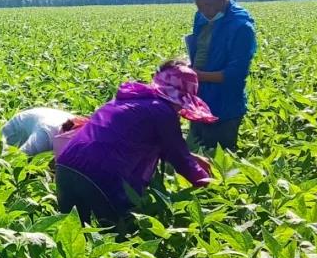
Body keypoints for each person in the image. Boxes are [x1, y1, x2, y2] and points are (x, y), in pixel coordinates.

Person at [55, 61, 215, 228]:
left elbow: (133, 140)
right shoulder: (163, 111)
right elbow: (180, 160)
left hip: (65, 167)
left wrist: (192, 157)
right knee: (116, 234)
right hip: (101, 174)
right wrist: (210, 185)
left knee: (73, 231)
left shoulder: (127, 100)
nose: (180, 110)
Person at [185, 0, 257, 151]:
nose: (204, 11)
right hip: (199, 100)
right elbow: (201, 50)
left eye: (208, 5)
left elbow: (235, 74)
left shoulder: (241, 28)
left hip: (225, 107)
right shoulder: (201, 16)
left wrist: (199, 75)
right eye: (199, 6)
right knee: (195, 152)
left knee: (218, 159)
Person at [1, 107, 83, 156]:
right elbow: (19, 157)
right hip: (14, 133)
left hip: (43, 122)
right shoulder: (44, 136)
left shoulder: (82, 129)